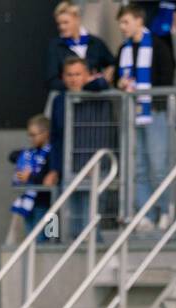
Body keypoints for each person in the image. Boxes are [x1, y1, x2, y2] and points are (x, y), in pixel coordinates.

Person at [117, 4, 175, 233]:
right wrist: (120, 83)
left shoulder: (158, 46)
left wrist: (146, 94)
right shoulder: (124, 49)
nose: (122, 27)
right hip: (132, 113)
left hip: (154, 112)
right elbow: (117, 75)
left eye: (126, 22)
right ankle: (145, 212)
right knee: (139, 166)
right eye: (121, 23)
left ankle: (164, 210)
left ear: (139, 20)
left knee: (158, 165)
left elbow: (166, 76)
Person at [47, 57, 116, 240]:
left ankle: (96, 263)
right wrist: (54, 169)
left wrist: (98, 163)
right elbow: (55, 137)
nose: (73, 79)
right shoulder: (59, 101)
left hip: (94, 168)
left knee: (91, 223)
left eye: (78, 74)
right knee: (71, 226)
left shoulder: (97, 94)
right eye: (69, 75)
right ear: (62, 77)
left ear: (87, 75)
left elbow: (102, 84)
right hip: (69, 169)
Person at [45, 2, 116, 92]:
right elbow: (52, 79)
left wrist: (104, 77)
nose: (62, 27)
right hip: (68, 100)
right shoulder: (56, 45)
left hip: (94, 101)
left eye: (65, 22)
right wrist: (77, 85)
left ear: (77, 19)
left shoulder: (95, 43)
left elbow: (112, 63)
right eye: (59, 24)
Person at [7, 115, 54, 245]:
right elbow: (12, 156)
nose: (31, 139)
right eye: (29, 135)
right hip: (30, 203)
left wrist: (30, 176)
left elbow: (49, 179)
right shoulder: (31, 153)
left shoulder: (53, 154)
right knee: (31, 241)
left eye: (34, 135)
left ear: (46, 134)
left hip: (48, 204)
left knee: (46, 240)